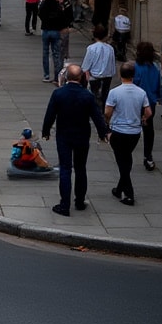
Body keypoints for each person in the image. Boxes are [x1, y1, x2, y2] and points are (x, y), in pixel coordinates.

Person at [41, 64, 109, 215]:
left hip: (64, 135)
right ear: (81, 77)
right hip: (82, 136)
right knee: (80, 168)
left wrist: (46, 131)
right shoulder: (87, 95)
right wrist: (103, 133)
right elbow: (97, 116)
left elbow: (50, 114)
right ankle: (79, 201)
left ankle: (64, 205)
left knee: (65, 169)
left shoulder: (58, 94)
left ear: (66, 77)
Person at [105, 62, 151, 206]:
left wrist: (108, 124)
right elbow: (148, 112)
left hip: (118, 130)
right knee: (126, 158)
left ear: (120, 75)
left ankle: (129, 194)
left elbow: (107, 112)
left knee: (121, 161)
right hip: (134, 132)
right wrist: (143, 119)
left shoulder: (114, 92)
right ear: (133, 75)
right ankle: (119, 189)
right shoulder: (141, 92)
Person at [134, 42, 162, 171]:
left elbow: (134, 83)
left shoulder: (136, 68)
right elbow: (159, 86)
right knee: (149, 130)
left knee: (132, 127)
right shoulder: (155, 68)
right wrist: (158, 98)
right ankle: (148, 156)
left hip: (136, 102)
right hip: (150, 104)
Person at [81, 25, 116, 108]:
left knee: (94, 95)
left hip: (95, 76)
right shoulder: (110, 48)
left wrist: (85, 71)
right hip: (107, 76)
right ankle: (103, 112)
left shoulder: (91, 48)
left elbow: (86, 65)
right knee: (105, 95)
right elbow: (112, 63)